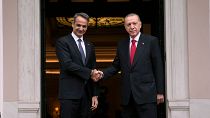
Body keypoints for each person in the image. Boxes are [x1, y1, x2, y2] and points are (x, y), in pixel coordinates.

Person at [98, 13, 165, 118]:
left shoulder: (151, 41)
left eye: (134, 23)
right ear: (125, 27)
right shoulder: (122, 44)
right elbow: (116, 66)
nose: (132, 26)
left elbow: (158, 67)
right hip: (127, 97)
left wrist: (160, 92)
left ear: (140, 25)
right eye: (128, 24)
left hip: (146, 95)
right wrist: (102, 74)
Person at [55, 12, 100, 118]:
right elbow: (67, 64)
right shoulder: (62, 42)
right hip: (69, 95)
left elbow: (93, 67)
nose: (81, 28)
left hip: (87, 95)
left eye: (84, 26)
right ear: (72, 24)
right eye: (78, 25)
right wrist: (90, 73)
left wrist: (94, 94)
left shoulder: (90, 45)